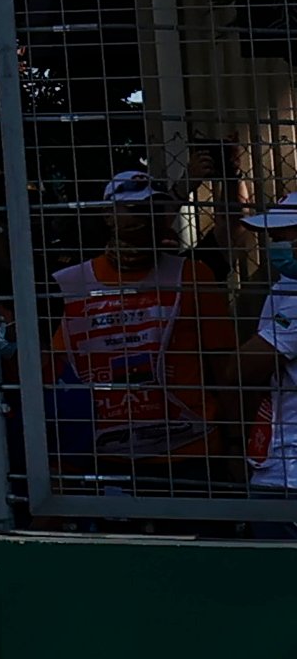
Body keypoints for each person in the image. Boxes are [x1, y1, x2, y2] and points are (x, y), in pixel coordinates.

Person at [48, 170, 241, 490]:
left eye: (154, 209)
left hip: (189, 451)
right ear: (108, 215)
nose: (146, 218)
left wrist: (235, 441)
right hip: (104, 453)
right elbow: (56, 371)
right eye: (135, 209)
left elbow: (224, 368)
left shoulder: (192, 275)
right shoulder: (69, 284)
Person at [235, 190, 297, 527]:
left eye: (282, 236)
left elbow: (240, 370)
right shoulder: (287, 286)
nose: (274, 246)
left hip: (288, 478)